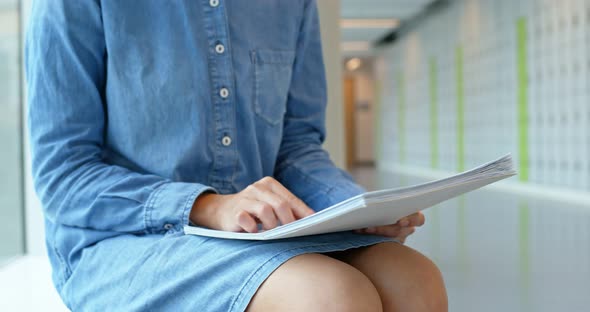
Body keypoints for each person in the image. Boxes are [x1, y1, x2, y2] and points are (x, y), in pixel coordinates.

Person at [25, 0, 447, 311]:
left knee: (414, 278)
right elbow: (64, 176)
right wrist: (207, 206)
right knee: (329, 296)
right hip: (122, 240)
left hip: (258, 236)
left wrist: (352, 207)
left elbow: (297, 145)